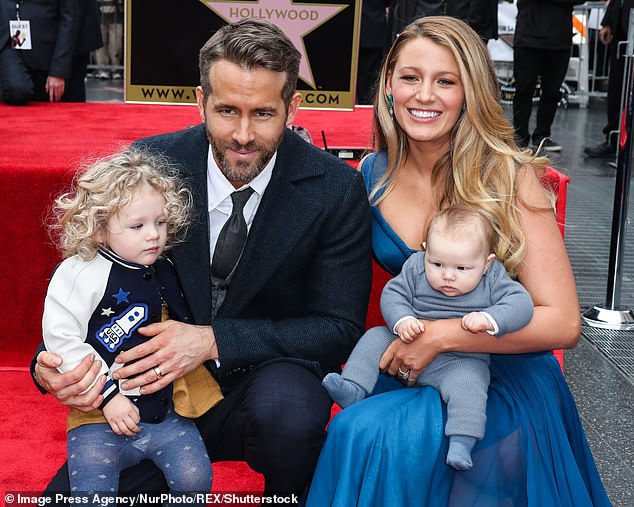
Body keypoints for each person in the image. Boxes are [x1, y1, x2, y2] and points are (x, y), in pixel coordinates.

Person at [32, 18, 372, 502]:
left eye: (263, 114)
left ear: (293, 107)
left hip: (266, 380)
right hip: (146, 399)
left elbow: (338, 328)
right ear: (200, 101)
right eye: (227, 110)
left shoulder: (335, 188)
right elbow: (80, 283)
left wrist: (213, 340)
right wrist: (48, 367)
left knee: (292, 416)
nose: (243, 134)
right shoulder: (150, 164)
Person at [306, 16, 612, 506]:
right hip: (410, 365)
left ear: (470, 92)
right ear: (388, 86)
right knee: (360, 432)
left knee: (364, 434)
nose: (424, 95)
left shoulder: (507, 176)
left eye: (445, 81)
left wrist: (444, 336)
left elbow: (565, 323)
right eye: (411, 77)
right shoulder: (372, 173)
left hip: (497, 377)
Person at [43, 149, 219, 500]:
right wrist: (108, 398)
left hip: (165, 412)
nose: (153, 235)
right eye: (137, 226)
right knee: (91, 495)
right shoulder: (79, 273)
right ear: (100, 228)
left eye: (161, 222)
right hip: (96, 415)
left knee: (197, 480)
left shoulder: (165, 266)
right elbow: (60, 340)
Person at [322, 205, 534, 471]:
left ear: (486, 263)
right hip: (407, 346)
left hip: (458, 361)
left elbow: (522, 304)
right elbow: (393, 294)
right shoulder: (415, 266)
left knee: (471, 384)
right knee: (375, 336)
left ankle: (462, 441)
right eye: (437, 263)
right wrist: (402, 320)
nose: (448, 275)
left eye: (462, 268)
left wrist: (491, 319)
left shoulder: (493, 277)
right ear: (424, 250)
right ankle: (353, 388)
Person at [512, 0, 584, 152]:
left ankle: (543, 136)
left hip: (558, 40)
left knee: (552, 92)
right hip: (528, 38)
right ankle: (519, 136)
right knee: (523, 90)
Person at [0, 0, 79, 105]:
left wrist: (58, 71)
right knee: (17, 90)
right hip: (8, 42)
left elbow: (69, 18)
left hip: (45, 53)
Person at [584, 0, 633, 158]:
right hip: (622, 33)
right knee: (616, 89)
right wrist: (608, 23)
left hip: (630, 28)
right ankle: (613, 138)